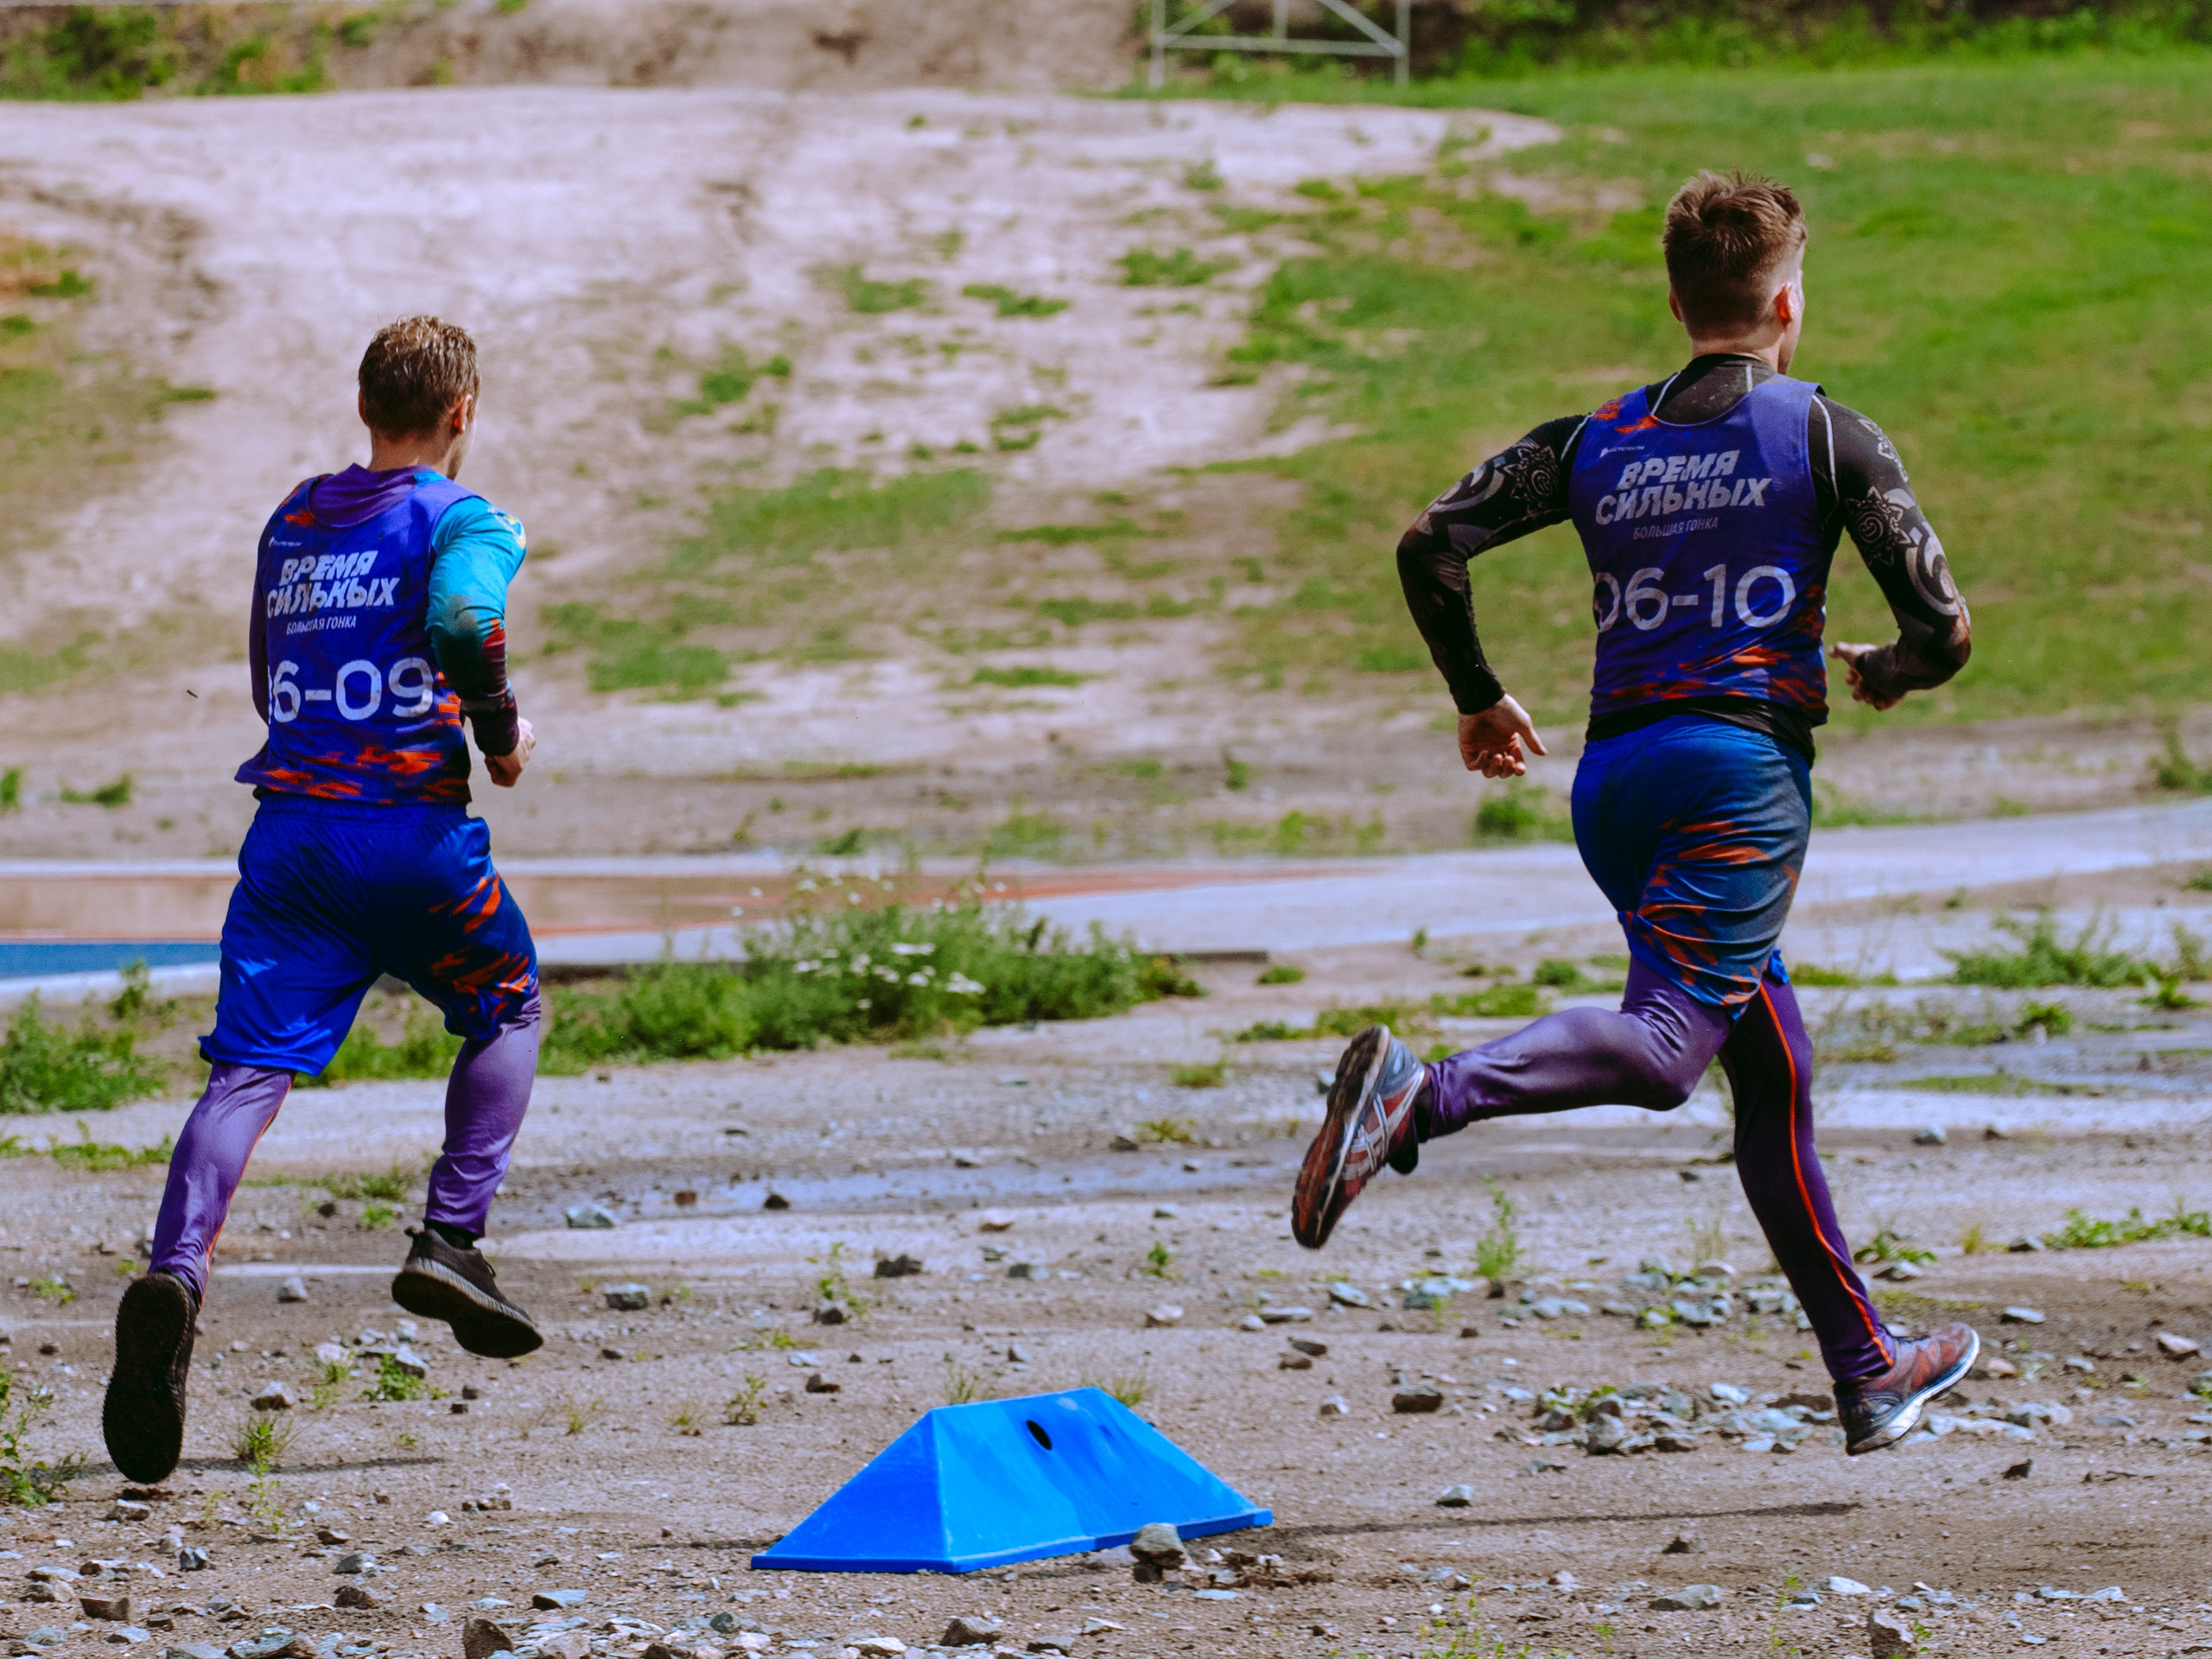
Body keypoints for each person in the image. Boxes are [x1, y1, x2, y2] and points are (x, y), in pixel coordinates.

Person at [1291, 171, 1980, 1456]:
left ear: (1677, 302)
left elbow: (1426, 545)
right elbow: (1945, 630)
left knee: (1770, 1069)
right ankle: (1417, 1096)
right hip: (1737, 783)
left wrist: (1482, 697)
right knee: (1670, 1047)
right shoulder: (1830, 435)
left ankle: (1870, 1367)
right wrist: (1887, 670)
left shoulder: (1591, 440)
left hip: (1614, 789)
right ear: (1787, 299)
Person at [104, 317, 545, 1485]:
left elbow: (265, 672)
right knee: (507, 1003)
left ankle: (174, 1277)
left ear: (366, 406)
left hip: (289, 838)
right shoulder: (464, 518)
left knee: (246, 1072)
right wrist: (499, 734)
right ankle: (451, 1239)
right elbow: (464, 622)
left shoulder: (294, 520)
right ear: (463, 410)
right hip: (409, 835)